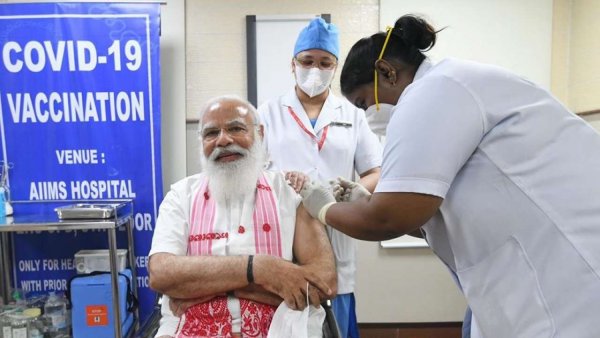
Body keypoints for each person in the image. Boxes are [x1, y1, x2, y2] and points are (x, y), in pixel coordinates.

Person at [299, 14, 600, 338]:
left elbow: (387, 220)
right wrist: (365, 201)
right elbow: (429, 216)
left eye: (363, 103)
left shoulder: (432, 93)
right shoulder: (450, 87)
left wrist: (325, 208)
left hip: (569, 284)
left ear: (386, 72)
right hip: (527, 277)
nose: (368, 116)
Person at [148, 95, 337, 338]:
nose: (223, 140)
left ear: (260, 134)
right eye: (211, 133)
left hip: (279, 328)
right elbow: (162, 274)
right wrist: (261, 269)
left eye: (236, 128)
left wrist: (206, 287)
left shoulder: (290, 192)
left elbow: (324, 281)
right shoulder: (180, 196)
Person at [257, 17, 383, 338]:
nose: (315, 69)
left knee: (336, 318)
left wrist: (349, 190)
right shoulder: (267, 113)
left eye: (324, 62)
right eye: (307, 61)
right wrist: (280, 182)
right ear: (293, 64)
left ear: (335, 66)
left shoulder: (353, 115)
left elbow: (375, 171)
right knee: (285, 314)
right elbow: (252, 175)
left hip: (338, 230)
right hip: (283, 233)